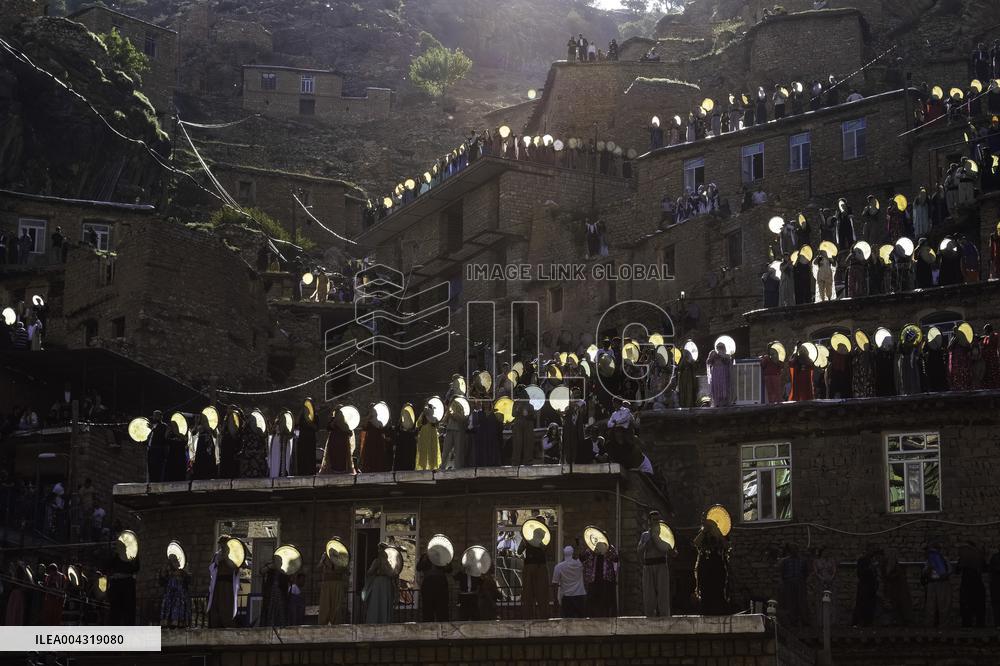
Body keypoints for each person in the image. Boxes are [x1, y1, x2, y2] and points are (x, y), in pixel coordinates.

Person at [693, 517, 730, 614]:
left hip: (717, 564)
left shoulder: (719, 535)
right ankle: (705, 609)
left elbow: (727, 545)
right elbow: (695, 543)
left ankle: (719, 609)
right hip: (705, 565)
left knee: (718, 588)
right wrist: (704, 531)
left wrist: (717, 533)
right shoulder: (703, 535)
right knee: (705, 589)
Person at [637, 511, 671, 616]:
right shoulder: (645, 535)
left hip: (661, 564)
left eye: (657, 519)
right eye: (654, 519)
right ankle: (650, 615)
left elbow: (670, 548)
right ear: (649, 521)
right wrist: (649, 541)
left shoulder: (665, 533)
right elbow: (639, 550)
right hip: (648, 565)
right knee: (648, 594)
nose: (656, 521)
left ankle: (665, 615)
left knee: (663, 592)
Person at [518, 516, 551, 619]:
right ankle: (532, 616)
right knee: (531, 595)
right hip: (534, 567)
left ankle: (538, 616)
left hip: (538, 566)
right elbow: (519, 551)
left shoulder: (540, 543)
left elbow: (519, 551)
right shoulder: (529, 541)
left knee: (538, 595)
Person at [207, 536, 239, 628]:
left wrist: (226, 557)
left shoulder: (233, 554)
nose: (222, 546)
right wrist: (220, 557)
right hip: (218, 584)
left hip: (228, 584)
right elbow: (212, 566)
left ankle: (227, 623)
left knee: (227, 604)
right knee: (216, 603)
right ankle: (216, 624)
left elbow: (234, 566)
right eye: (221, 544)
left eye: (224, 544)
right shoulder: (217, 554)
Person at [363, 545, 397, 624]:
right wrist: (377, 572)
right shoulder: (377, 561)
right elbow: (369, 572)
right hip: (379, 583)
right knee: (377, 602)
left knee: (384, 601)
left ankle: (384, 620)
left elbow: (392, 573)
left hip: (385, 583)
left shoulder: (389, 562)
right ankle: (376, 620)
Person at [416, 548, 452, 622]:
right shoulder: (425, 556)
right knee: (428, 609)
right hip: (428, 585)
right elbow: (418, 568)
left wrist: (446, 564)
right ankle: (428, 630)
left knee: (442, 609)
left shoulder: (443, 556)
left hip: (441, 585)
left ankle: (443, 630)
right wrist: (425, 559)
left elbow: (449, 570)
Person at [922, 542, 952, 628]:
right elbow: (924, 572)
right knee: (931, 605)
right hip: (932, 583)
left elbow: (949, 570)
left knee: (943, 605)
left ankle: (943, 624)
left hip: (942, 583)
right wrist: (929, 569)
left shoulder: (944, 559)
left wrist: (943, 575)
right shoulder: (929, 560)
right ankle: (930, 624)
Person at [551, 545, 586, 618]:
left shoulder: (559, 567)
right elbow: (583, 557)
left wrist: (555, 599)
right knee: (581, 621)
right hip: (579, 595)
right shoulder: (579, 565)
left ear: (564, 553)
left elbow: (555, 584)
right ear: (572, 553)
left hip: (567, 597)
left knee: (567, 621)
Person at [957, 541, 986, 627]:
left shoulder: (964, 555)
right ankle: (980, 624)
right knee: (979, 604)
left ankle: (966, 624)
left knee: (966, 603)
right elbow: (984, 568)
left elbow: (958, 569)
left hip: (966, 582)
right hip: (977, 581)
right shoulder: (979, 555)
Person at [779, 544, 809, 627]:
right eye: (792, 549)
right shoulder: (785, 561)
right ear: (789, 551)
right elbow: (782, 573)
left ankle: (804, 620)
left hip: (800, 582)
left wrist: (802, 580)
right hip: (788, 583)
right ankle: (793, 621)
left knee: (801, 601)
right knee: (790, 601)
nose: (794, 551)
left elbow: (806, 573)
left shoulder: (803, 560)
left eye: (795, 549)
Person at [319, 406, 355, 474]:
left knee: (342, 457)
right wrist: (335, 420)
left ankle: (342, 470)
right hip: (334, 442)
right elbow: (328, 428)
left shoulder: (345, 423)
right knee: (333, 456)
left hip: (343, 443)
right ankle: (334, 470)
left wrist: (346, 430)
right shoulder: (332, 421)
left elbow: (350, 433)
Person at [159, 552, 191, 628]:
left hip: (180, 599)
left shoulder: (182, 573)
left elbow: (188, 582)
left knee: (179, 620)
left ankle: (179, 623)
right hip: (170, 598)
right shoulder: (168, 573)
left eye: (176, 560)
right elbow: (162, 581)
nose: (176, 562)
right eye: (173, 561)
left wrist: (187, 574)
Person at [317, 547, 347, 625]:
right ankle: (323, 622)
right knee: (325, 604)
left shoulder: (340, 556)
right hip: (327, 583)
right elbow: (319, 567)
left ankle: (336, 622)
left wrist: (336, 558)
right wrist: (322, 560)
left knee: (336, 605)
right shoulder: (325, 556)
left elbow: (344, 569)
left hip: (337, 582)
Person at [881, 549, 912, 626]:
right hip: (894, 590)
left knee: (900, 605)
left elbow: (890, 577)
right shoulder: (891, 567)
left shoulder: (896, 568)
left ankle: (902, 620)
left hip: (897, 590)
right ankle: (899, 620)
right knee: (896, 605)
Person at [851, 546, 879, 627]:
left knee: (871, 605)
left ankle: (868, 622)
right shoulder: (862, 560)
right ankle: (857, 622)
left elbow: (875, 574)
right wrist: (869, 569)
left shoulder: (872, 561)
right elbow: (860, 574)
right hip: (864, 586)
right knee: (861, 604)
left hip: (871, 586)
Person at [358, 403, 389, 472]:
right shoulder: (368, 422)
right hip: (370, 441)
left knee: (378, 456)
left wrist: (384, 436)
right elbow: (363, 427)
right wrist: (368, 417)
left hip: (378, 441)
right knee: (370, 456)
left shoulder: (380, 422)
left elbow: (383, 432)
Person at [261, 554, 289, 627]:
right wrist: (270, 566)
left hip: (280, 595)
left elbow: (286, 584)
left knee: (280, 614)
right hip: (270, 595)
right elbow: (261, 571)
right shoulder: (270, 569)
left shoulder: (283, 571)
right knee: (269, 613)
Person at [295, 401, 318, 475]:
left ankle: (310, 472)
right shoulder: (301, 416)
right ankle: (301, 472)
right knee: (302, 456)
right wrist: (301, 413)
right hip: (302, 439)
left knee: (310, 457)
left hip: (311, 439)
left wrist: (309, 422)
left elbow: (316, 428)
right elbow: (296, 423)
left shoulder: (315, 416)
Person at [191, 414, 218, 480]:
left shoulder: (210, 428)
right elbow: (192, 434)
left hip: (209, 451)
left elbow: (216, 436)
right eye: (201, 419)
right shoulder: (198, 428)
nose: (202, 420)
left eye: (204, 419)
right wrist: (196, 424)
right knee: (200, 466)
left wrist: (208, 428)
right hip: (200, 451)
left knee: (209, 466)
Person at [706, 342, 733, 407]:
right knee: (716, 386)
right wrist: (711, 356)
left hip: (724, 374)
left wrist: (723, 357)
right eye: (718, 348)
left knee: (724, 387)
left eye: (721, 347)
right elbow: (708, 362)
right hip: (715, 374)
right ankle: (717, 402)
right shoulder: (713, 354)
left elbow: (729, 363)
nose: (720, 349)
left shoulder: (726, 356)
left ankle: (725, 402)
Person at [510, 400, 535, 466]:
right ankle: (516, 461)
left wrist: (528, 414)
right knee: (517, 443)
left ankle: (528, 461)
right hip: (518, 425)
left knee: (528, 443)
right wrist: (518, 409)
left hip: (528, 425)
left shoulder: (530, 406)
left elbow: (533, 416)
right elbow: (513, 414)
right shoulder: (516, 404)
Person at [145, 410, 168, 483]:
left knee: (157, 468)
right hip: (151, 450)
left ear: (161, 416)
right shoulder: (153, 425)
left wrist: (153, 429)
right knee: (150, 468)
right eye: (154, 415)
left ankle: (157, 483)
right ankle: (151, 482)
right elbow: (150, 437)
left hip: (158, 450)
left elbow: (162, 437)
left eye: (156, 415)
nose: (154, 417)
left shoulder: (163, 426)